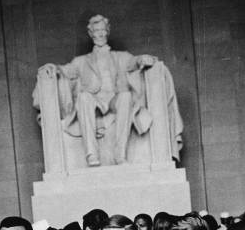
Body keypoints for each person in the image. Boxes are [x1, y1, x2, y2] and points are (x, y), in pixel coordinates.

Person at [39, 15, 158, 166]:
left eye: (103, 30)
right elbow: (67, 70)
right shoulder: (81, 61)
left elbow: (134, 61)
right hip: (94, 100)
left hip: (114, 99)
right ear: (91, 33)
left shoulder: (121, 56)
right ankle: (91, 154)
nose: (100, 34)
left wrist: (143, 59)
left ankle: (120, 154)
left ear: (107, 32)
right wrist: (54, 67)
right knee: (84, 98)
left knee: (126, 96)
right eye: (97, 30)